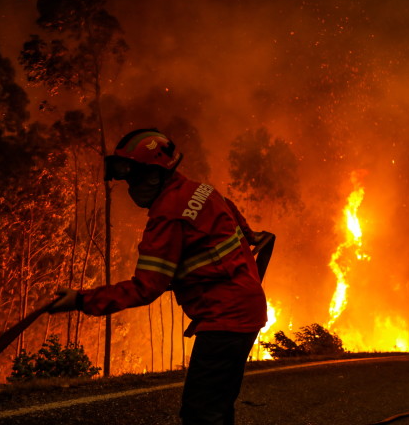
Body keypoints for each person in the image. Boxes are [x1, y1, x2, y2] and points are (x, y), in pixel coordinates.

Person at [49, 128, 269, 424]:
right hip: (241, 312)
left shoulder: (167, 216)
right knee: (216, 407)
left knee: (201, 413)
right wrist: (249, 233)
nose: (131, 188)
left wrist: (81, 299)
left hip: (226, 319)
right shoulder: (200, 189)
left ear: (156, 173)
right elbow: (228, 206)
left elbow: (145, 288)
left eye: (135, 177)